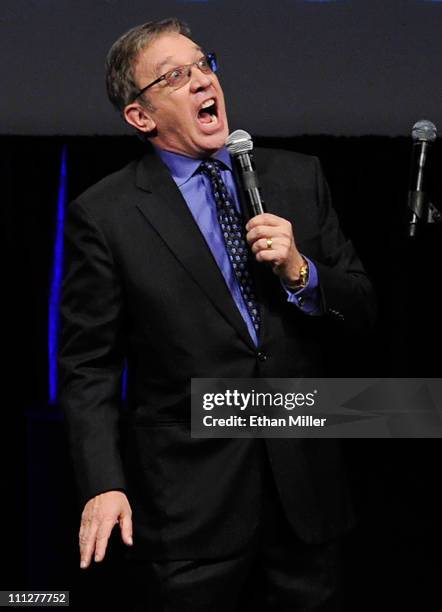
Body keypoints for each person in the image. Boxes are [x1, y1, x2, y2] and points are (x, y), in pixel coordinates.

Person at [58, 18, 376, 611]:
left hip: (306, 497)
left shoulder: (297, 177)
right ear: (141, 117)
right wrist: (103, 482)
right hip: (189, 509)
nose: (203, 80)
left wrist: (302, 272)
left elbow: (363, 312)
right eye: (176, 75)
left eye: (205, 65)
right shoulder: (106, 214)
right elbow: (88, 366)